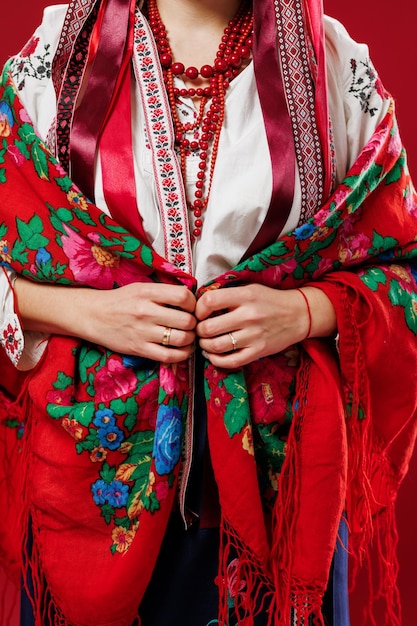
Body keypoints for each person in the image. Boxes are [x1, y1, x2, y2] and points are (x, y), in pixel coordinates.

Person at [0, 0, 416, 624]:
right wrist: (85, 313)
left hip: (278, 491)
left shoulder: (331, 62)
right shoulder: (59, 56)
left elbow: (404, 271)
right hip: (93, 483)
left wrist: (304, 311)